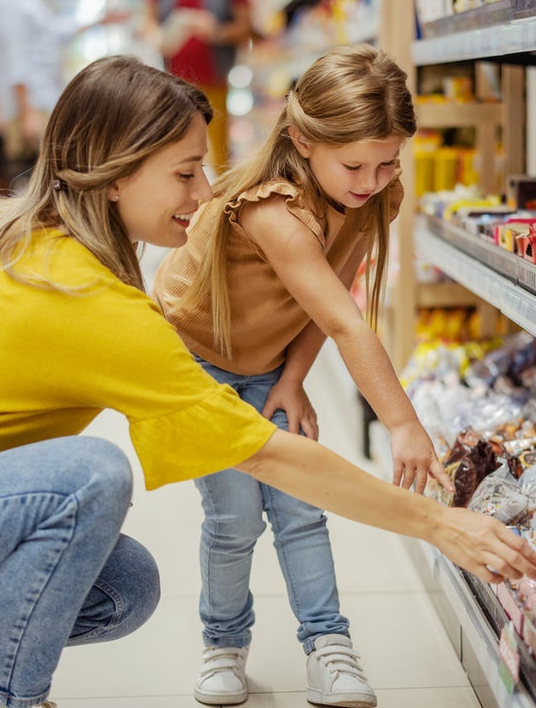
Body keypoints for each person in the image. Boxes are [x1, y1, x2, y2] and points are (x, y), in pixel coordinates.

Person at [0, 56, 536, 708]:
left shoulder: (54, 250)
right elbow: (268, 454)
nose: (204, 191)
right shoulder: (85, 297)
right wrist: (439, 523)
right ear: (113, 175)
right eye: (184, 171)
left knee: (126, 588)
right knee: (89, 475)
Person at [152, 44, 452, 708]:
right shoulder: (272, 212)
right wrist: (402, 424)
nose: (371, 180)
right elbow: (349, 322)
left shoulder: (370, 196)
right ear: (301, 141)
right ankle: (223, 644)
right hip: (195, 366)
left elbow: (333, 292)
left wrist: (293, 377)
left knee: (302, 508)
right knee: (233, 519)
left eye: (387, 163)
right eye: (354, 165)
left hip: (265, 362)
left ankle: (328, 645)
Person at [0, 0, 127, 191]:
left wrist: (99, 21)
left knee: (45, 177)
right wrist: (27, 112)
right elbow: (15, 56)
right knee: (32, 179)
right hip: (29, 102)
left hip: (41, 98)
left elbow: (52, 33)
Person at [143, 0, 252, 174]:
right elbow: (148, 21)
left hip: (214, 81)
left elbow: (246, 27)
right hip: (174, 83)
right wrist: (157, 36)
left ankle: (219, 212)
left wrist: (216, 31)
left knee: (218, 157)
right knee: (176, 155)